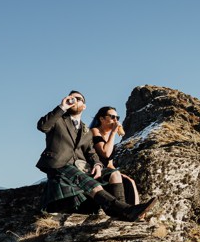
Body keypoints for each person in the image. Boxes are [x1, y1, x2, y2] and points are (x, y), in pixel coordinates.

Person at [36, 91, 154, 221]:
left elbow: (90, 152)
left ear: (84, 106)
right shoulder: (58, 120)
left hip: (81, 167)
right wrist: (62, 107)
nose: (74, 100)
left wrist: (97, 164)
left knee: (114, 174)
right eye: (71, 98)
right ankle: (127, 210)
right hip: (60, 165)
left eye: (78, 99)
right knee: (93, 184)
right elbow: (42, 126)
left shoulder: (85, 129)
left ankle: (122, 212)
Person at [89, 106, 139, 206]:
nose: (115, 120)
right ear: (102, 119)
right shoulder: (95, 131)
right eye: (112, 117)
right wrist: (113, 133)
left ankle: (137, 212)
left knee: (130, 182)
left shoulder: (109, 135)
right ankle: (123, 209)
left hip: (107, 170)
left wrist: (119, 172)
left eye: (117, 117)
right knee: (116, 175)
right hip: (96, 169)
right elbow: (105, 153)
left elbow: (110, 163)